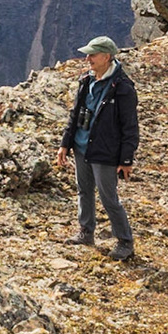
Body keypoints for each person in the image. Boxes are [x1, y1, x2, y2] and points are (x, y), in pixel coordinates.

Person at [54, 35, 139, 261]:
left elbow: (130, 127)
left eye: (93, 54)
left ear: (107, 57)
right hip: (81, 148)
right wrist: (65, 144)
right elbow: (74, 115)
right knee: (84, 190)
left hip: (105, 153)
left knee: (108, 197)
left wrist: (126, 159)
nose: (88, 58)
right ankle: (86, 232)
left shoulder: (123, 88)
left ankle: (125, 241)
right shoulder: (86, 81)